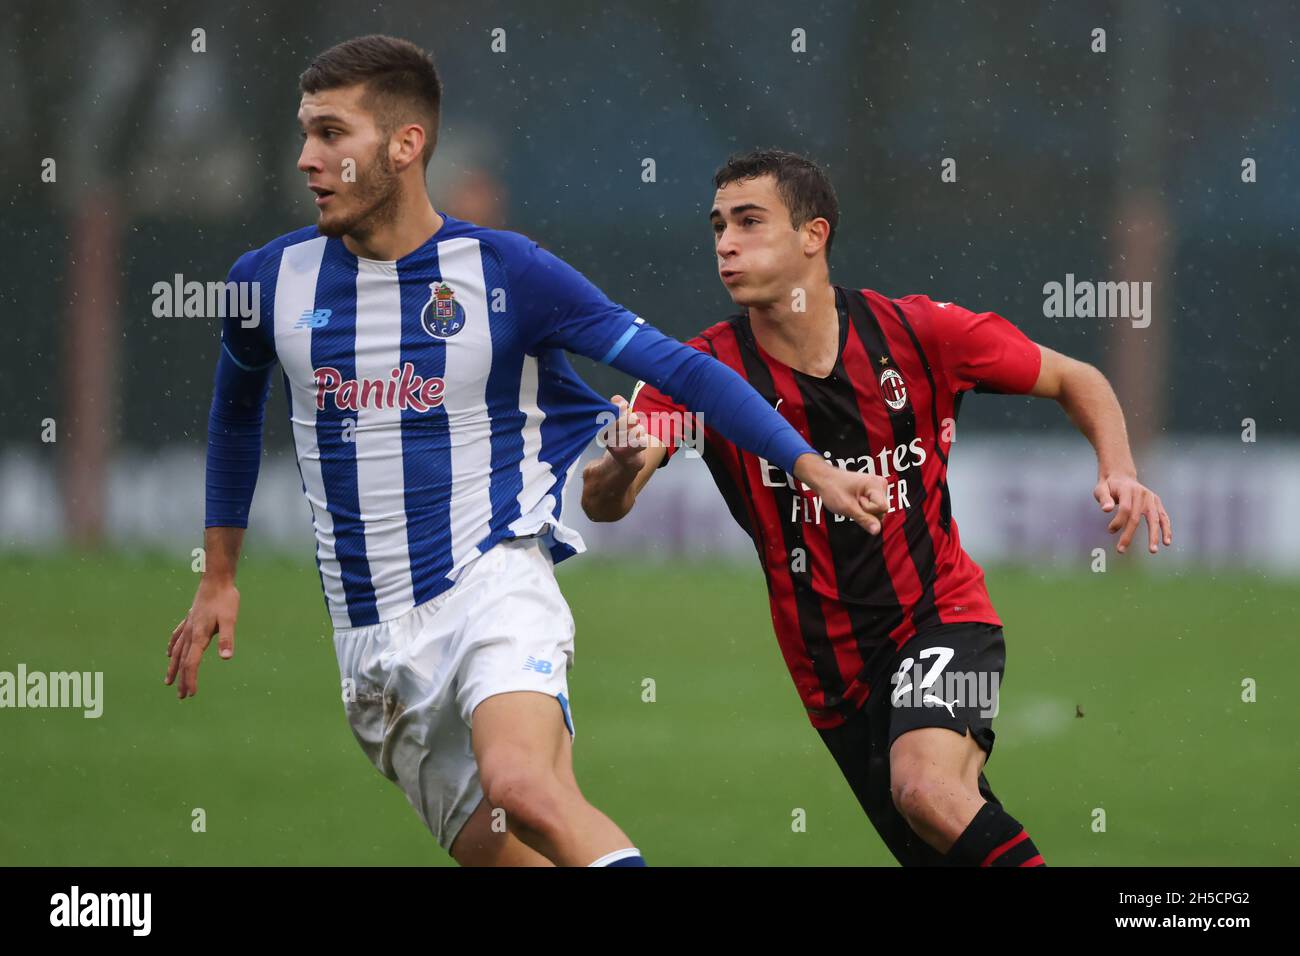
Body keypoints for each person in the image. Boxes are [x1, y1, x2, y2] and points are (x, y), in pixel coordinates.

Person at [164, 40, 886, 868]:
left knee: (523, 786)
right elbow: (233, 410)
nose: (307, 159)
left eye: (332, 134)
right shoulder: (267, 282)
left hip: (493, 584)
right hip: (370, 645)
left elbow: (678, 368)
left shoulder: (506, 272)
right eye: (305, 134)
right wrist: (219, 575)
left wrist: (809, 464)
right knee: (522, 854)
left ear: (404, 146)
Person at [582, 148, 1173, 866]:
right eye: (717, 227)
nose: (726, 243)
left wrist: (1119, 467)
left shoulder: (919, 333)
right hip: (831, 674)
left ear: (813, 235)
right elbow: (609, 501)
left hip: (944, 617)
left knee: (925, 789)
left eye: (749, 222)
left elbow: (1076, 378)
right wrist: (616, 463)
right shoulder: (699, 372)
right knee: (946, 830)